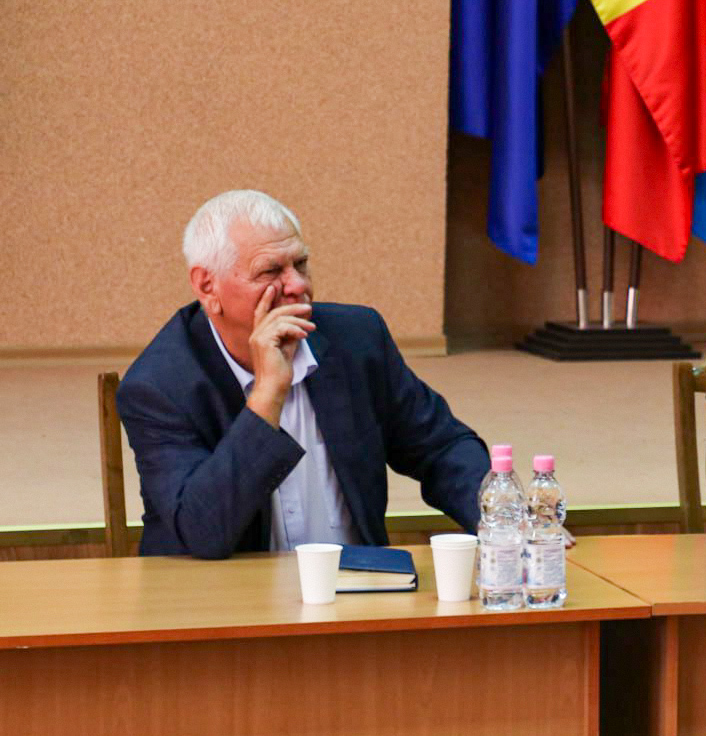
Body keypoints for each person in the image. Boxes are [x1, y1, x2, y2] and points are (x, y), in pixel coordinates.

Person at [117, 190, 490, 558]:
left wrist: (500, 519)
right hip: (226, 591)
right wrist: (267, 396)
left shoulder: (356, 339)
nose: (298, 285)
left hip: (356, 583)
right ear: (207, 286)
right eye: (270, 271)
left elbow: (442, 448)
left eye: (301, 264)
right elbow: (202, 532)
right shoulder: (159, 386)